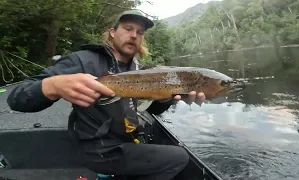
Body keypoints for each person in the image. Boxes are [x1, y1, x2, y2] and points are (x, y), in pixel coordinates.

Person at [6, 10, 206, 180]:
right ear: (112, 32)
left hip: (128, 142)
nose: (134, 35)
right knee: (179, 158)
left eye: (140, 32)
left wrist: (165, 99)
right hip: (100, 151)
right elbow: (16, 97)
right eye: (128, 29)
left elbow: (151, 107)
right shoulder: (83, 61)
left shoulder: (140, 69)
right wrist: (52, 85)